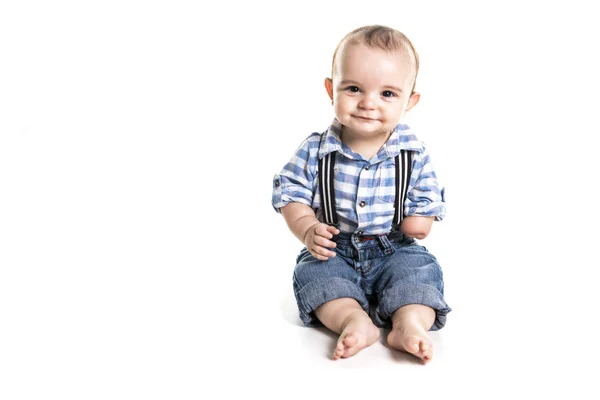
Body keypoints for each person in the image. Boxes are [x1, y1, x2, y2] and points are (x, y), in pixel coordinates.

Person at [271, 25, 450, 364]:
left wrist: (421, 220)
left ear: (410, 101)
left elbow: (427, 195)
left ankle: (408, 322)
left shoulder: (412, 154)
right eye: (353, 88)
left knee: (420, 272)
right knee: (315, 276)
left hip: (394, 247)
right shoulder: (315, 150)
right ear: (330, 89)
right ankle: (352, 319)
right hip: (333, 250)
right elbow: (290, 193)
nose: (368, 103)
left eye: (387, 94)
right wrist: (307, 228)